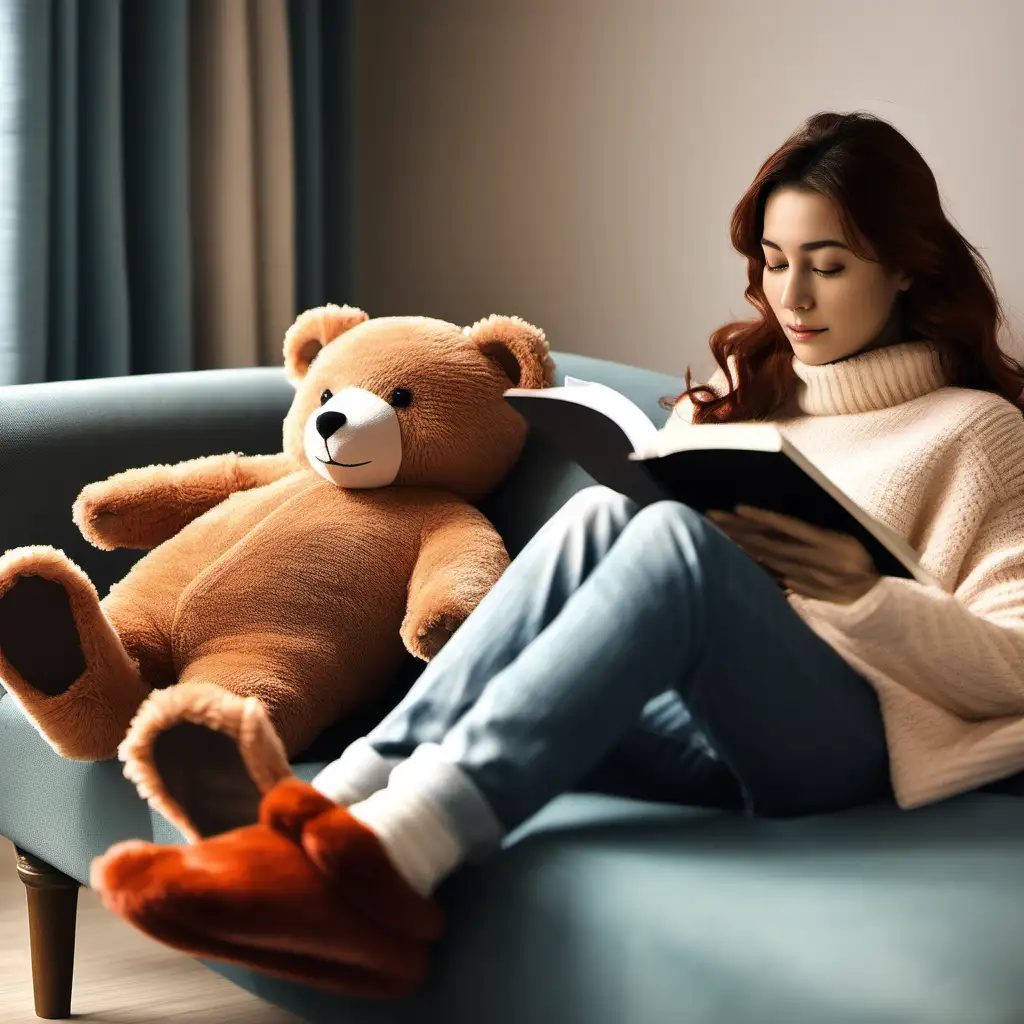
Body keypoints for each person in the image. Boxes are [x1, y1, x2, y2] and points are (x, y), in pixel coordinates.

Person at [298, 109, 1024, 904]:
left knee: (676, 541)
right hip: (700, 723)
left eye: (829, 266)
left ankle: (402, 849)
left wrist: (867, 596)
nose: (793, 296)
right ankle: (343, 794)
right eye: (775, 262)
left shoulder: (977, 431)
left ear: (908, 268)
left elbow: (1013, 671)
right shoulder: (740, 401)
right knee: (595, 517)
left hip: (855, 748)